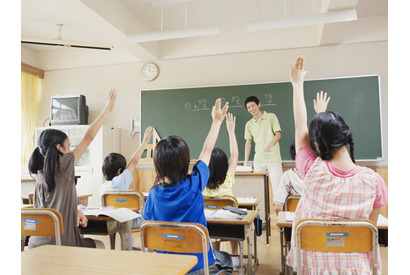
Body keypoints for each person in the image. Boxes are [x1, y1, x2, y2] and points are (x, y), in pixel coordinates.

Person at [286, 56, 388, 274]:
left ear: (316, 144)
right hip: (355, 268)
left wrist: (297, 85)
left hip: (314, 266)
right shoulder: (374, 181)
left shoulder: (311, 170)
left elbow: (299, 124)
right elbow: (368, 233)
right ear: (346, 134)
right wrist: (323, 116)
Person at [143, 98, 229, 275]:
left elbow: (147, 224)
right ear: (184, 161)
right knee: (226, 259)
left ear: (157, 164)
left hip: (166, 266)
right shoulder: (194, 184)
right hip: (197, 266)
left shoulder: (153, 195)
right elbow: (207, 150)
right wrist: (217, 122)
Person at [28, 89, 117, 249]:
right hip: (63, 245)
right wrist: (107, 110)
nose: (70, 150)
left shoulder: (39, 173)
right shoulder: (65, 163)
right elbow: (88, 137)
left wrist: (75, 210)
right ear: (59, 148)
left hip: (36, 245)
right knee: (99, 245)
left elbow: (52, 206)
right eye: (68, 146)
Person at [273, 93, 331, 215]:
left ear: (296, 154)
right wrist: (320, 113)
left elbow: (278, 206)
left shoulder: (288, 176)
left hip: (297, 226)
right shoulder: (327, 172)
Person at [202, 113, 240, 266]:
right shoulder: (228, 179)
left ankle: (215, 255)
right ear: (225, 165)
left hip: (209, 225)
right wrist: (231, 130)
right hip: (229, 226)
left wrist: (215, 123)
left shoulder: (201, 182)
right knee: (233, 220)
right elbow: (235, 154)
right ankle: (235, 256)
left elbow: (205, 152)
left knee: (212, 222)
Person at [244, 95, 283, 201]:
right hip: (258, 161)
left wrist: (270, 145)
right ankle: (259, 217)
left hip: (273, 159)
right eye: (249, 107)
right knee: (258, 191)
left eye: (253, 105)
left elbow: (278, 134)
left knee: (278, 190)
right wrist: (246, 161)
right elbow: (248, 143)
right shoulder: (249, 124)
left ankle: (279, 215)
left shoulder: (271, 117)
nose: (251, 109)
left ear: (259, 105)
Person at [100, 126, 153, 195]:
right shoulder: (120, 181)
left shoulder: (103, 187)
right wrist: (145, 141)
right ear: (119, 171)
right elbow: (133, 161)